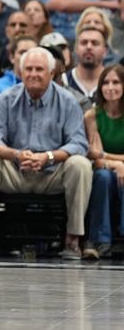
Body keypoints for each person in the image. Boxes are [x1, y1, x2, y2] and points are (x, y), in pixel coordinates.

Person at [0, 47, 92, 259]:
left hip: (52, 172)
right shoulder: (6, 98)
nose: (33, 74)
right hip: (16, 170)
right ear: (20, 72)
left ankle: (72, 239)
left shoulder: (68, 100)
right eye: (28, 69)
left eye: (39, 69)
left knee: (80, 164)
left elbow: (79, 143)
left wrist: (49, 157)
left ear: (52, 73)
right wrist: (16, 154)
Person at [83, 64, 124, 259]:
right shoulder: (92, 116)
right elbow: (95, 157)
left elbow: (102, 154)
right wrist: (116, 163)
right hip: (104, 169)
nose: (110, 87)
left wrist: (110, 158)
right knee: (103, 177)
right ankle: (101, 241)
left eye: (116, 82)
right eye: (106, 82)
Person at [63, 26, 108, 101]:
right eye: (84, 43)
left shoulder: (116, 82)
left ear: (105, 51)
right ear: (76, 49)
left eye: (95, 43)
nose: (89, 47)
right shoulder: (63, 81)